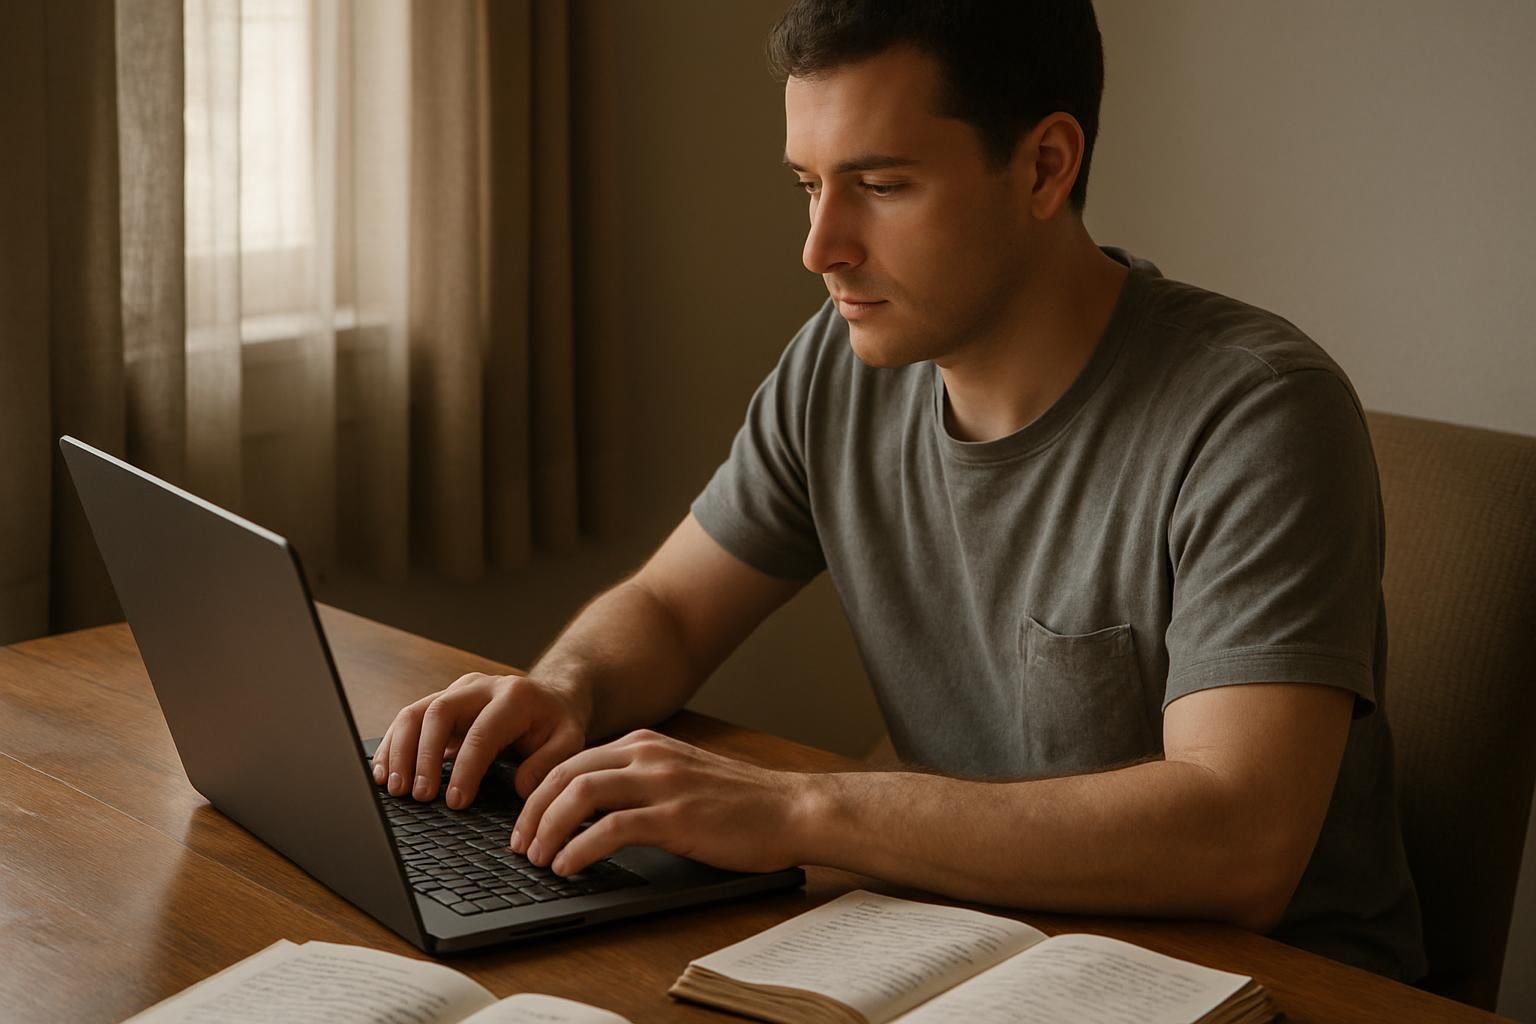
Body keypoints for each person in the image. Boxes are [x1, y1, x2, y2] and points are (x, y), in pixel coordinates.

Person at [371, 0, 1425, 982]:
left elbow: (1237, 841)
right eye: (808, 184)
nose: (820, 248)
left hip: (1260, 987)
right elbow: (667, 607)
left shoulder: (1257, 414)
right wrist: (566, 689)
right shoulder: (838, 364)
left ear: (1046, 166)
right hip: (970, 945)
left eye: (880, 185)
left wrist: (799, 807)